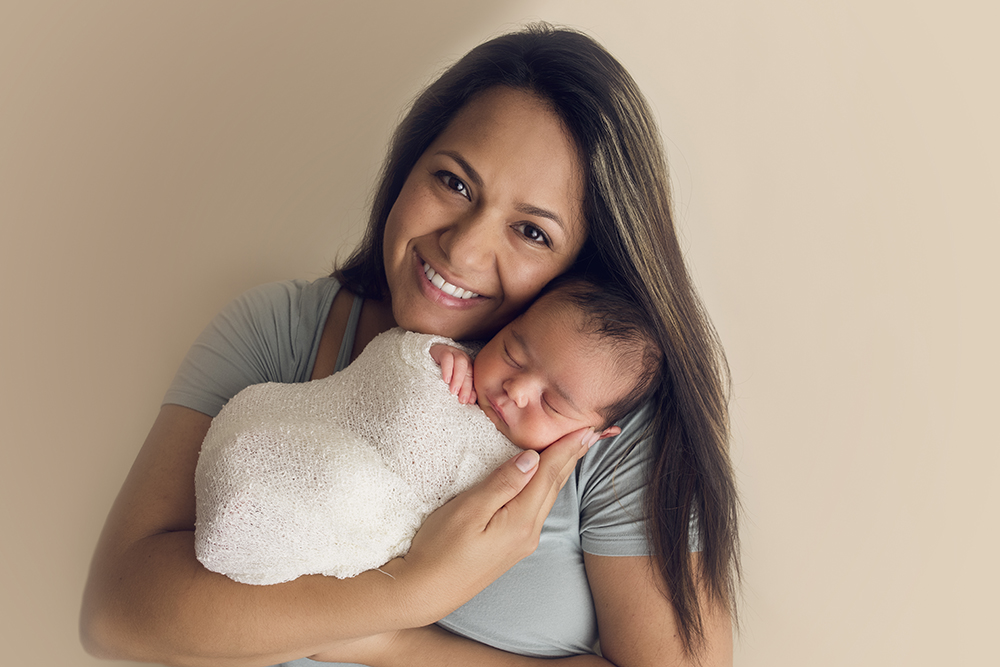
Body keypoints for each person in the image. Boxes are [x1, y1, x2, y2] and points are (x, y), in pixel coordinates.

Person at [81, 24, 740, 667]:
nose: (463, 247)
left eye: (532, 232)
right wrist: (410, 591)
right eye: (454, 182)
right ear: (408, 167)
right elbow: (116, 614)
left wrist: (388, 644)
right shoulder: (280, 332)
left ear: (582, 263)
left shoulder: (604, 408)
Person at [195, 276, 660, 586]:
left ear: (595, 434)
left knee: (346, 485)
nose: (516, 389)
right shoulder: (459, 364)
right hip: (299, 442)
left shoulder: (543, 480)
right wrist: (434, 357)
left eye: (552, 403)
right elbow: (395, 368)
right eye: (514, 353)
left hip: (353, 524)